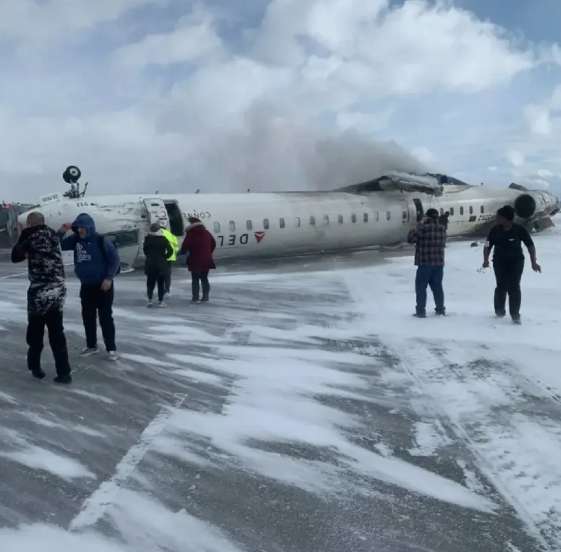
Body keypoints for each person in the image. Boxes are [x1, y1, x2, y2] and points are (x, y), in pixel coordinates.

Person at [11, 212, 72, 383]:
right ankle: (64, 372)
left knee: (36, 332)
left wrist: (22, 238)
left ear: (30, 224)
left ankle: (35, 367)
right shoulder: (53, 234)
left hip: (40, 291)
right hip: (58, 289)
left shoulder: (29, 234)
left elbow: (15, 257)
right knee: (57, 332)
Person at [58, 213, 121, 360]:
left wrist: (109, 278)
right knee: (88, 317)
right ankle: (91, 345)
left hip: (103, 286)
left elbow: (115, 259)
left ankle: (111, 348)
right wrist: (61, 231)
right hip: (86, 285)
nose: (79, 230)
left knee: (105, 317)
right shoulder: (75, 240)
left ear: (89, 227)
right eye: (77, 227)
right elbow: (58, 244)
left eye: (82, 227)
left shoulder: (101, 240)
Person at [482, 205, 541, 324]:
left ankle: (515, 314)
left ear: (507, 219)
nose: (496, 219)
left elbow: (530, 245)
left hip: (516, 262)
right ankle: (499, 312)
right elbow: (488, 245)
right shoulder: (495, 229)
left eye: (499, 217)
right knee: (501, 286)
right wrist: (486, 259)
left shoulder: (519, 229)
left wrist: (533, 262)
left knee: (514, 287)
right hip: (499, 262)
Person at [407, 207, 447, 317]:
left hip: (425, 263)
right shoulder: (442, 228)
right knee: (437, 288)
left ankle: (420, 311)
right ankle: (440, 310)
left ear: (427, 217)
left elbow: (410, 239)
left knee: (421, 288)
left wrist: (420, 224)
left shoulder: (423, 228)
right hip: (439, 263)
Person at [179, 216, 216, 303]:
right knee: (204, 279)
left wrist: (182, 253)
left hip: (195, 260)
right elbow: (213, 243)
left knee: (195, 280)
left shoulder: (191, 234)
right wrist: (208, 253)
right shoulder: (207, 233)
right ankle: (205, 297)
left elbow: (185, 246)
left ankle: (195, 298)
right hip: (207, 260)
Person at [144, 223, 173, 307]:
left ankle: (150, 300)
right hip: (161, 263)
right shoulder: (163, 239)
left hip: (150, 263)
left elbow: (145, 250)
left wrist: (149, 256)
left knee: (150, 283)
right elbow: (170, 250)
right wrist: (165, 257)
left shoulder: (147, 239)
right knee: (160, 283)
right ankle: (160, 302)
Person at [160, 222, 178, 296]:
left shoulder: (160, 234)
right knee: (167, 275)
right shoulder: (172, 235)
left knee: (160, 274)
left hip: (162, 257)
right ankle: (167, 289)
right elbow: (176, 247)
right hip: (170, 257)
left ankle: (161, 289)